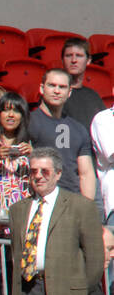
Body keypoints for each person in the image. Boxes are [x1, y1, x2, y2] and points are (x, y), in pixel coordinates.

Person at [9, 147, 105, 295]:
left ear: (58, 174)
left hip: (67, 293)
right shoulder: (18, 209)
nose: (38, 176)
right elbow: (15, 252)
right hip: (28, 290)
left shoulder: (81, 206)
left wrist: (80, 289)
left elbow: (95, 259)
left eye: (45, 171)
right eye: (33, 171)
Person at [29, 68, 96, 200]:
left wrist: (86, 207)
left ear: (69, 92)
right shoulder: (28, 122)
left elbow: (86, 174)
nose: (57, 91)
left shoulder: (79, 129)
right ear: (42, 89)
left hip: (71, 199)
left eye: (62, 87)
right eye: (52, 85)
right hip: (38, 198)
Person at [0, 91, 32, 218]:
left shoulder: (29, 144)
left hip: (21, 212)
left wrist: (33, 155)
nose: (11, 115)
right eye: (6, 110)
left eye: (16, 111)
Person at [59, 38, 104, 132]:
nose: (74, 60)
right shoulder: (55, 93)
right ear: (62, 60)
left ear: (88, 60)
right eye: (68, 56)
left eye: (79, 56)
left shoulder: (93, 96)